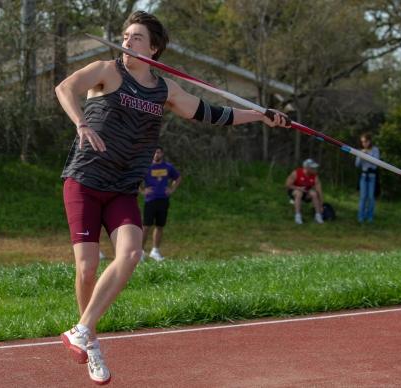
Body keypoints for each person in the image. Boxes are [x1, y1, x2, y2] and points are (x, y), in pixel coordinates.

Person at [55, 10, 290, 384]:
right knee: (86, 268)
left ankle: (81, 332)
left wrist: (260, 115)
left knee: (131, 253)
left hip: (122, 189)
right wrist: (81, 122)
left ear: (154, 48)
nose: (127, 41)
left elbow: (214, 113)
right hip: (85, 181)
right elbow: (64, 88)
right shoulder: (106, 70)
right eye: (125, 35)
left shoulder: (164, 91)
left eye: (136, 37)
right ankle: (91, 340)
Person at [140, 146, 181, 261]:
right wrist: (142, 191)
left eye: (158, 152)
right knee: (146, 226)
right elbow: (136, 179)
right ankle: (140, 251)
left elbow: (177, 178)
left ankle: (155, 251)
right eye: (154, 152)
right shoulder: (146, 167)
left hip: (163, 199)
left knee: (160, 226)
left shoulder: (168, 167)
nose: (156, 154)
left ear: (162, 153)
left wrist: (171, 189)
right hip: (150, 200)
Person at [286, 158, 324, 225]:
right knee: (299, 193)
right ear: (307, 168)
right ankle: (298, 216)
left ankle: (318, 215)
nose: (315, 169)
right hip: (294, 190)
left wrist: (321, 205)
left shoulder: (315, 176)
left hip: (306, 192)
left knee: (314, 193)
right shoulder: (296, 173)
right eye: (312, 168)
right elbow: (288, 185)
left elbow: (319, 191)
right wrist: (299, 188)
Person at [355, 132, 380, 223]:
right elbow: (357, 165)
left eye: (365, 141)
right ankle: (360, 217)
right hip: (363, 176)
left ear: (369, 141)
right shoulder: (360, 151)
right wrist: (361, 156)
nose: (364, 143)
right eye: (362, 142)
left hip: (372, 177)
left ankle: (370, 217)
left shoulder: (375, 150)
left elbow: (376, 164)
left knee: (371, 197)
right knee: (363, 197)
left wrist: (367, 156)